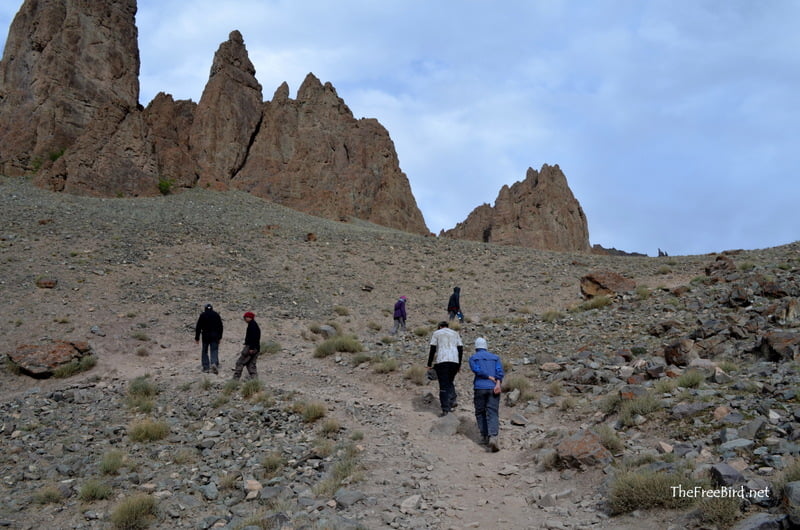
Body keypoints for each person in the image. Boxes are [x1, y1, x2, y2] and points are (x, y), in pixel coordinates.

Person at [469, 337, 504, 452]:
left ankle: (485, 436)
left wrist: (487, 376)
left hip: (480, 387)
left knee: (480, 412)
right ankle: (493, 436)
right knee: (493, 412)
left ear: (476, 347)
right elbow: (500, 372)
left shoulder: (473, 358)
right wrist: (498, 383)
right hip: (494, 388)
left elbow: (477, 370)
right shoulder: (495, 358)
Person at [427, 321, 463, 416]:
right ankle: (452, 400)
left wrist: (429, 364)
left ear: (439, 326)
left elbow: (433, 349)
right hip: (454, 361)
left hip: (442, 360)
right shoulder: (455, 333)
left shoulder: (437, 333)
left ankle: (445, 409)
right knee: (449, 381)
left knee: (443, 385)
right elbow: (460, 349)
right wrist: (459, 365)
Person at [195, 303, 223, 374]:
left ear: (205, 308)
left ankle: (206, 367)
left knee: (205, 351)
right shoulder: (216, 315)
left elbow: (198, 327)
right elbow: (220, 326)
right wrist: (220, 337)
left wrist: (197, 338)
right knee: (214, 350)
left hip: (205, 336)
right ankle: (214, 363)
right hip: (215, 335)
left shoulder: (202, 315)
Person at [232, 311, 260, 380]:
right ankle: (255, 380)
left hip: (250, 347)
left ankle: (235, 380)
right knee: (251, 364)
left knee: (240, 363)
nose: (244, 319)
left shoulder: (252, 325)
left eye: (245, 317)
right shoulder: (254, 324)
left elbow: (254, 337)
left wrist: (251, 348)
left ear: (249, 317)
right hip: (256, 348)